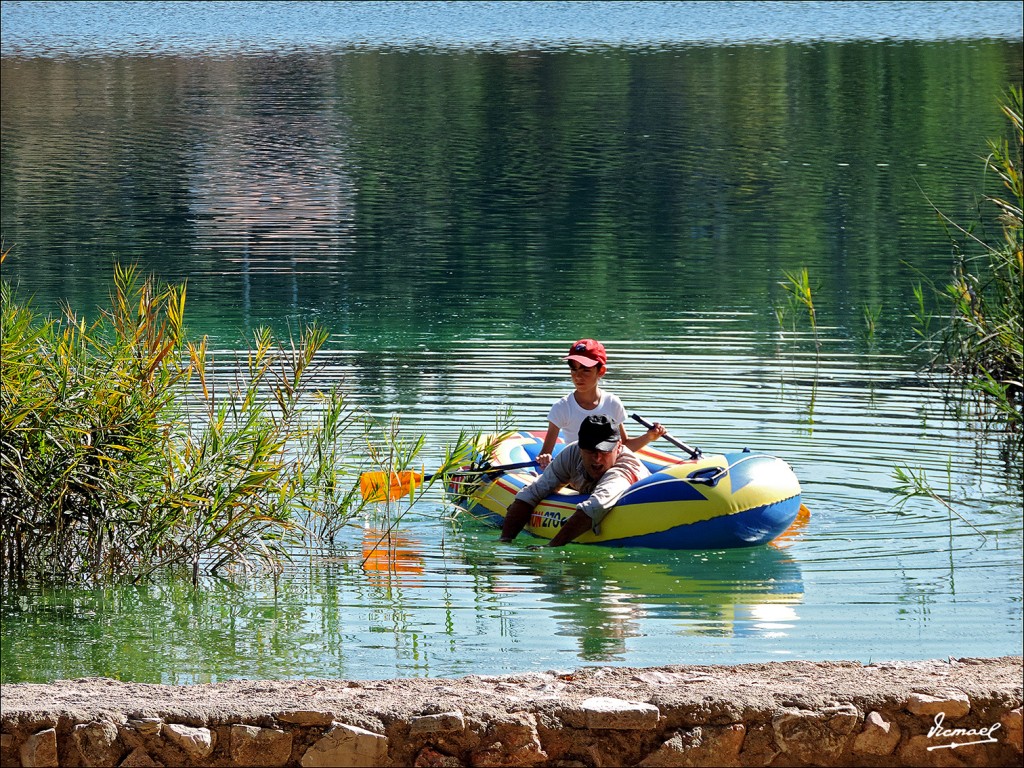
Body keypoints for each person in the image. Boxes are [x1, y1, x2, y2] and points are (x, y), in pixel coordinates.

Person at [500, 414, 650, 547]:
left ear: (618, 447)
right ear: (580, 447)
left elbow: (596, 505)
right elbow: (533, 491)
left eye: (604, 451)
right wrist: (504, 541)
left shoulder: (623, 470)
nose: (597, 458)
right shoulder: (572, 453)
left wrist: (550, 546)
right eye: (590, 450)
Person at [537, 339, 665, 469]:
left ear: (601, 371)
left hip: (608, 469)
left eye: (585, 370)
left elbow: (624, 445)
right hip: (577, 471)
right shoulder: (562, 407)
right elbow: (545, 453)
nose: (577, 376)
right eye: (573, 369)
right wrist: (544, 458)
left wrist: (649, 437)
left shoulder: (612, 403)